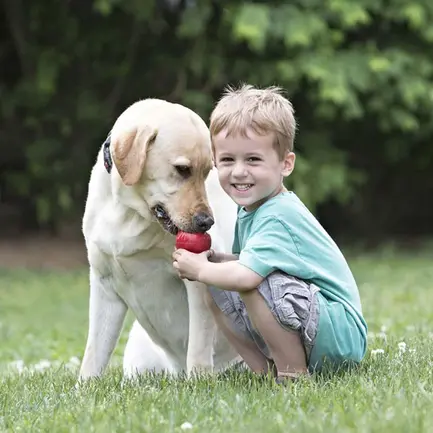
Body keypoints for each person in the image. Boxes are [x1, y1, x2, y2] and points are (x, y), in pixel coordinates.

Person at [172, 84, 368, 383]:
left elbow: (248, 276)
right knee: (215, 284)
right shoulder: (251, 207)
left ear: (285, 164)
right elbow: (249, 262)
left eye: (253, 159)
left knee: (248, 281)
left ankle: (292, 375)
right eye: (227, 160)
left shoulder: (278, 215)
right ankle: (265, 371)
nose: (239, 171)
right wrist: (217, 261)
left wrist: (200, 268)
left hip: (339, 335)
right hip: (315, 324)